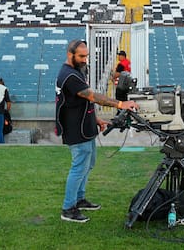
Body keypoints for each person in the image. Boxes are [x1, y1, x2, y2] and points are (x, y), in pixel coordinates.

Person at [56, 39, 138, 223]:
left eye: (86, 56)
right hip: (76, 130)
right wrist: (120, 104)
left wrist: (96, 119)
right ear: (70, 54)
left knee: (88, 164)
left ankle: (79, 199)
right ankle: (68, 209)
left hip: (86, 127)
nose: (85, 60)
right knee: (79, 167)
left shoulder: (77, 71)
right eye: (81, 56)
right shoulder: (69, 75)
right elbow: (92, 96)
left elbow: (83, 101)